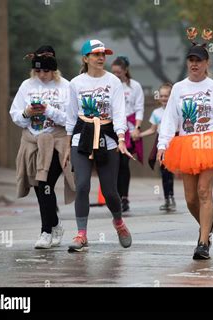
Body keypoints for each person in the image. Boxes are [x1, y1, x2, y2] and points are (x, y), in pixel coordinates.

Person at [157, 28, 213, 260]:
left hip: (211, 142)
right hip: (186, 144)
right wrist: (162, 145)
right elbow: (170, 119)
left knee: (204, 191)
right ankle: (207, 224)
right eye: (191, 60)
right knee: (190, 198)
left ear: (207, 63)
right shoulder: (178, 88)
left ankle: (203, 241)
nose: (194, 64)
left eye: (198, 60)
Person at [65, 39, 133, 252]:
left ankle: (119, 223)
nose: (101, 57)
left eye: (103, 54)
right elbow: (71, 115)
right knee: (82, 185)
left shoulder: (113, 81)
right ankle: (82, 234)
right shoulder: (75, 83)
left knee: (110, 191)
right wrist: (68, 145)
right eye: (96, 54)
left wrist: (121, 138)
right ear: (86, 58)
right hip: (82, 137)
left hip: (107, 137)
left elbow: (120, 112)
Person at [10, 45, 74, 249]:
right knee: (40, 187)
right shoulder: (26, 86)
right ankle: (55, 225)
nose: (42, 75)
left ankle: (45, 232)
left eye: (46, 70)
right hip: (33, 142)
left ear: (54, 68)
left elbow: (71, 119)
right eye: (38, 71)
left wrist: (49, 110)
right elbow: (16, 116)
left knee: (45, 183)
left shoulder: (66, 86)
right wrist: (28, 113)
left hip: (57, 142)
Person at [111, 56, 145, 213]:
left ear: (125, 71)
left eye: (119, 72)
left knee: (124, 163)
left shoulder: (135, 86)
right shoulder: (109, 85)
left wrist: (137, 128)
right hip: (113, 127)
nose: (116, 75)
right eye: (113, 72)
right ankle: (115, 196)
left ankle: (124, 197)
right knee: (114, 164)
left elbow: (139, 107)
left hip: (130, 127)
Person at [139, 82, 176, 211]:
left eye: (167, 96)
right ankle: (168, 199)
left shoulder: (176, 110)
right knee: (164, 172)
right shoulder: (156, 112)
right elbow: (152, 129)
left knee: (170, 172)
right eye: (162, 96)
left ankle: (171, 197)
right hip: (161, 142)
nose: (164, 98)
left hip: (175, 142)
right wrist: (140, 135)